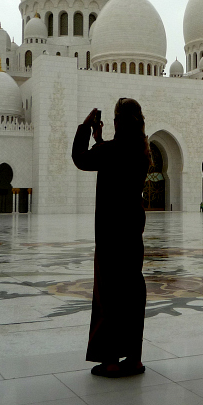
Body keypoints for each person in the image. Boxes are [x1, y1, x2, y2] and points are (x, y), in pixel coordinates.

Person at [72, 99, 149, 378]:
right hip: (132, 233)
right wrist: (100, 139)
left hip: (110, 234)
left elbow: (81, 158)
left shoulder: (111, 151)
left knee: (110, 293)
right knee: (132, 291)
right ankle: (135, 359)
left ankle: (112, 360)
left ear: (117, 123)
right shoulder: (142, 152)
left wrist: (85, 127)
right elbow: (116, 155)